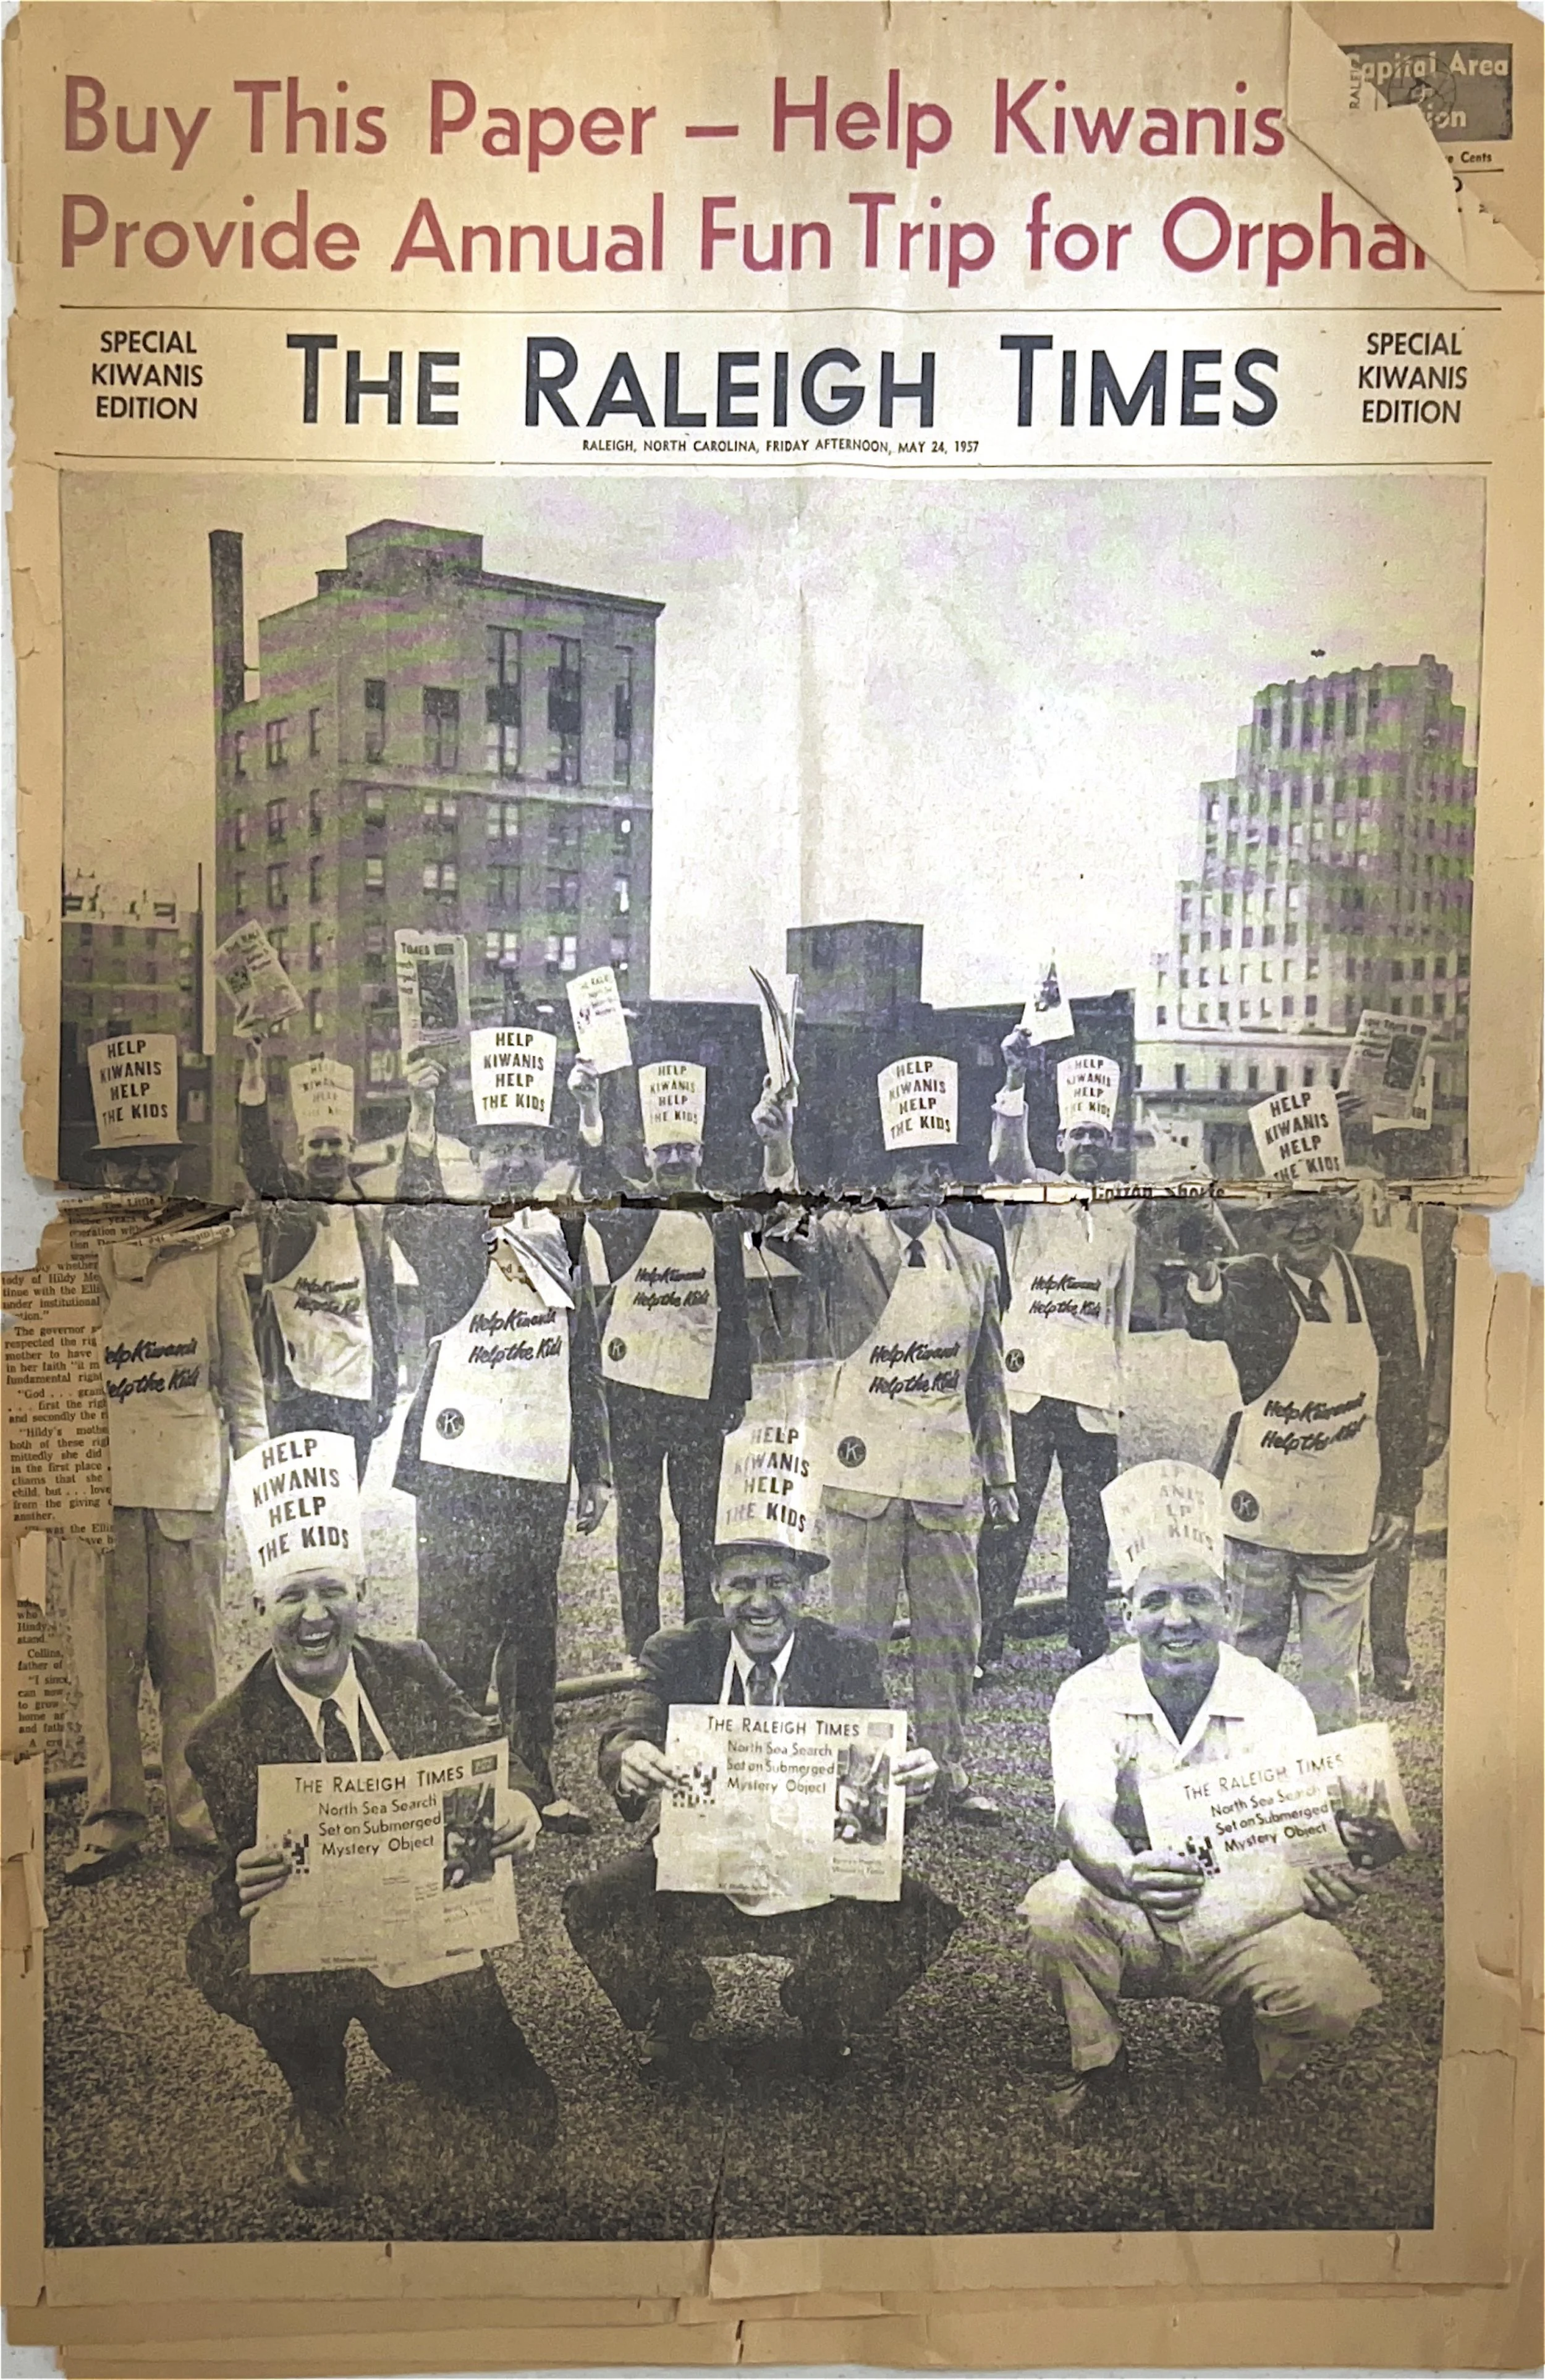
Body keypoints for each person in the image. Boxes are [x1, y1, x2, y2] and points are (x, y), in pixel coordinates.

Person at [184, 1558, 554, 2205]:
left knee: (522, 2107)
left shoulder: (409, 1666)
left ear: (362, 1593)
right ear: (257, 1608)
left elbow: (491, 1754)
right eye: (291, 1596)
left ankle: (405, 2030)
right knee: (244, 1953)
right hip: (313, 1943)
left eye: (331, 1591)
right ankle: (317, 2102)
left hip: (419, 1927)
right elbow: (234, 1880)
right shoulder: (223, 1734)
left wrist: (519, 1803)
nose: (315, 1616)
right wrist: (243, 1883)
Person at [1020, 1461, 1381, 2123]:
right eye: (1155, 1601)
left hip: (1243, 1911)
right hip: (1130, 1904)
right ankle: (1099, 2061)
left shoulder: (1274, 1701)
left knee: (1334, 1993)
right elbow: (1080, 1815)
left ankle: (1254, 2036)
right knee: (1055, 1909)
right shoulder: (1089, 1692)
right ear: (1129, 1614)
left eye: (1194, 1598)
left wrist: (1329, 1877)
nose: (1176, 1619)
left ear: (1225, 1608)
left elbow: (1300, 1843)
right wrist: (1125, 1872)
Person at [562, 1533, 958, 2079]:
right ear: (715, 1589)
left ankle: (824, 2001)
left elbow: (877, 1793)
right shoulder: (677, 1651)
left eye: (778, 1584)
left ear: (804, 1589)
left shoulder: (847, 1657)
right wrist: (630, 1757)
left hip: (815, 1868)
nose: (761, 1602)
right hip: (701, 1862)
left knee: (918, 1912)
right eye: (743, 1584)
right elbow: (629, 1731)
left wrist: (908, 1785)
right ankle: (674, 2000)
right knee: (597, 1903)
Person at [752, 1074, 1017, 1826]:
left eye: (936, 1164)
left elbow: (988, 1378)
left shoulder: (974, 1258)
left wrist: (998, 1473)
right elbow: (782, 1227)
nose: (923, 1179)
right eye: (908, 1164)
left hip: (942, 1472)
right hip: (862, 1468)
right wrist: (778, 1146)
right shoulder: (844, 1239)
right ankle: (855, 1781)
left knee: (949, 1635)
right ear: (883, 1172)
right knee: (856, 1637)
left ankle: (947, 1771)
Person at [391, 1055, 610, 1835]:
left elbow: (580, 1356)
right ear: (475, 1159)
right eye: (496, 1146)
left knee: (533, 1631)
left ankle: (533, 1776)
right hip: (457, 1464)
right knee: (450, 1631)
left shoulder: (563, 1235)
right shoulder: (454, 1233)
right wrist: (422, 1115)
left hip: (539, 1464)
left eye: (525, 1143)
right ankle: (445, 1786)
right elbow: (404, 1210)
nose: (511, 1159)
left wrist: (596, 1467)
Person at [61, 1198, 268, 1883]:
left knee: (192, 1667)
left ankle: (197, 1814)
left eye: (156, 1162)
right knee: (106, 1671)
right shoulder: (70, 1248)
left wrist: (260, 1481)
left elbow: (242, 1381)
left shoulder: (208, 1253)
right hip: (102, 1497)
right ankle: (111, 1824)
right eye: (129, 1164)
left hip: (188, 1494)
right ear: (106, 1173)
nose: (143, 1179)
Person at [1180, 1188, 1426, 1731]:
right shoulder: (1250, 1280)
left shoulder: (1384, 1284)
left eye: (1313, 1212)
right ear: (1266, 1229)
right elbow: (1208, 1317)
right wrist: (1202, 1276)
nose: (1302, 1228)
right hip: (1262, 1502)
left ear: (1338, 1216)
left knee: (1333, 1675)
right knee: (1246, 1657)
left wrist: (1400, 1499)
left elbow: (1407, 1395)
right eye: (1286, 1218)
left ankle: (1333, 1796)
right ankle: (1236, 1791)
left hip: (1346, 1504)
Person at [571, 1056, 753, 1657]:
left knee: (701, 1530)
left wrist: (736, 1394)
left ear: (699, 1153)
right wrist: (590, 1112)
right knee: (640, 1532)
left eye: (684, 1150)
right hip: (633, 1397)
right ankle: (641, 1648)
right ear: (648, 1157)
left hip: (699, 1399)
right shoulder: (631, 1212)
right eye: (663, 1151)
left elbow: (733, 1311)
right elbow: (595, 1185)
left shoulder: (721, 1218)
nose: (674, 1160)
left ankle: (702, 1642)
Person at [979, 1035, 1137, 1673]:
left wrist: (1115, 1385)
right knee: (1009, 1521)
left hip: (1091, 1396)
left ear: (1111, 1145)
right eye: (1078, 1138)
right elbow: (1004, 1162)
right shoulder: (1033, 1193)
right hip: (1030, 1389)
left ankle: (1088, 1643)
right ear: (1062, 1142)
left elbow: (1118, 1314)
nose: (1088, 1148)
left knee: (1091, 1526)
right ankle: (985, 1642)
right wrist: (1014, 1082)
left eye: (1098, 1137)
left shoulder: (1123, 1218)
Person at [236, 1039, 399, 1482]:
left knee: (343, 1518)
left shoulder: (369, 1212)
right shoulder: (285, 1202)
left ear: (351, 1146)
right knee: (298, 1513)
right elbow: (257, 1160)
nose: (326, 1154)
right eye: (316, 1145)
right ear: (301, 1149)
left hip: (353, 1389)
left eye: (334, 1144)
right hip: (293, 1388)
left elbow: (383, 1307)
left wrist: (385, 1392)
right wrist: (254, 1073)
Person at [1334, 1185, 1455, 1703]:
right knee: (1336, 1526)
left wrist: (1437, 1412)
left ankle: (1390, 1658)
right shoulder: (1340, 1200)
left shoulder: (1442, 1217)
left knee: (1395, 1527)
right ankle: (1340, 1659)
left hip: (1404, 1390)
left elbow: (1450, 1320)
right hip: (1340, 1387)